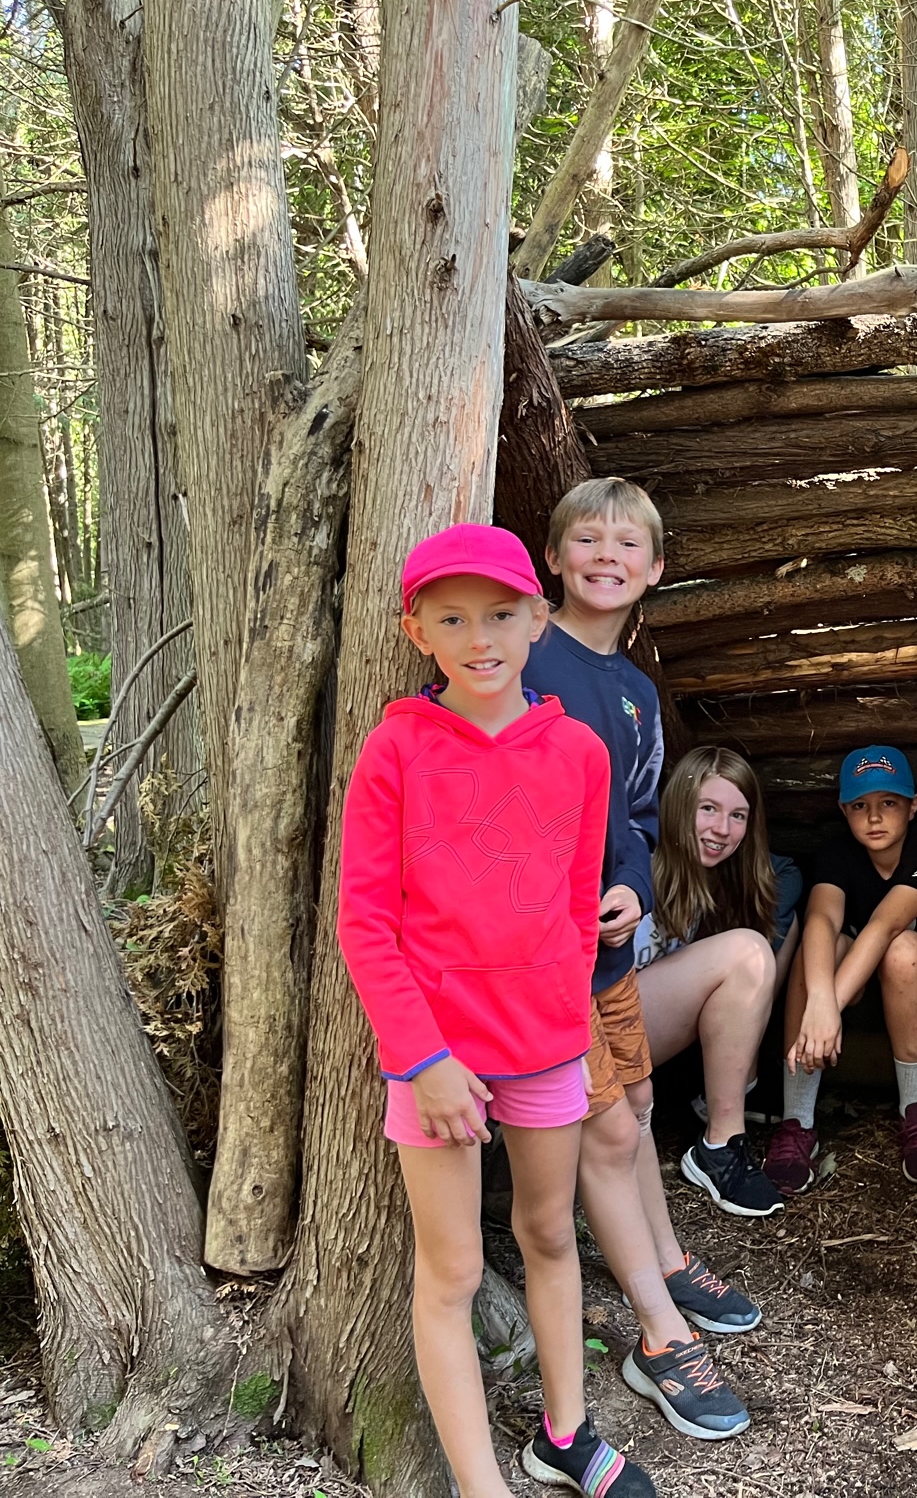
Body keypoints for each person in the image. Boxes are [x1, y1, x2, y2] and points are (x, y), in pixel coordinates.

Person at [338, 523, 657, 1496]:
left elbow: (572, 904)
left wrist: (563, 1021)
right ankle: (481, 1484)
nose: (480, 638)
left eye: (502, 615)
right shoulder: (395, 751)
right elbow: (364, 922)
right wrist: (423, 1059)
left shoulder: (578, 753)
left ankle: (563, 1437)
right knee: (453, 1272)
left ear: (537, 619)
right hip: (431, 1060)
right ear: (418, 630)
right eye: (453, 618)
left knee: (550, 1234)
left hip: (547, 1049)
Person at [522, 478, 756, 1438]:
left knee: (640, 1109)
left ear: (656, 570)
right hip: (537, 959)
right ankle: (658, 1337)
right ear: (555, 557)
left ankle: (664, 1263)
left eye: (629, 544)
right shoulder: (526, 652)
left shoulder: (635, 692)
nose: (607, 555)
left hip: (607, 955)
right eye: (588, 538)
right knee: (610, 1134)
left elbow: (629, 815)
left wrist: (628, 887)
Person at [762, 745, 917, 1195]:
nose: (874, 818)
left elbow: (886, 924)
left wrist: (826, 1006)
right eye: (860, 806)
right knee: (819, 945)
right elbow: (821, 920)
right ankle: (797, 1121)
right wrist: (821, 1002)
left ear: (914, 805)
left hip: (907, 998)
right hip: (837, 1011)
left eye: (888, 803)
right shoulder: (836, 853)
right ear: (843, 811)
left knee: (903, 946)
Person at [633, 746, 800, 1218]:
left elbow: (784, 876)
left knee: (762, 946)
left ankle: (722, 1137)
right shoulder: (636, 859)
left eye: (738, 815)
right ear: (680, 805)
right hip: (578, 1037)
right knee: (748, 950)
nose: (722, 830)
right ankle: (719, 1142)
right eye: (708, 809)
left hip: (633, 1036)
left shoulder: (706, 881)